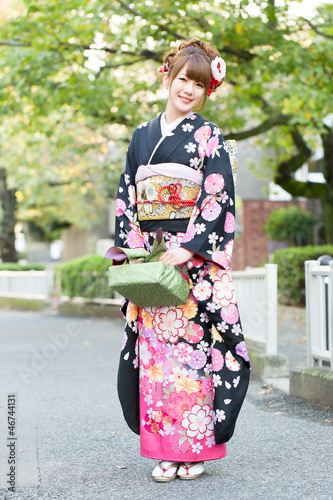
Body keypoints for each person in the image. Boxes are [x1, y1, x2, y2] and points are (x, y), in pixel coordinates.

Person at [113, 39, 250, 482]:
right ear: (168, 77)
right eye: (183, 79)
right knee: (156, 359)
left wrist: (191, 248)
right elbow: (127, 198)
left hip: (190, 264)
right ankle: (164, 451)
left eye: (200, 83)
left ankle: (193, 450)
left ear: (208, 89)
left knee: (191, 358)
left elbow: (218, 195)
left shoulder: (209, 136)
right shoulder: (141, 136)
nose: (189, 89)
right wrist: (138, 252)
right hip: (155, 262)